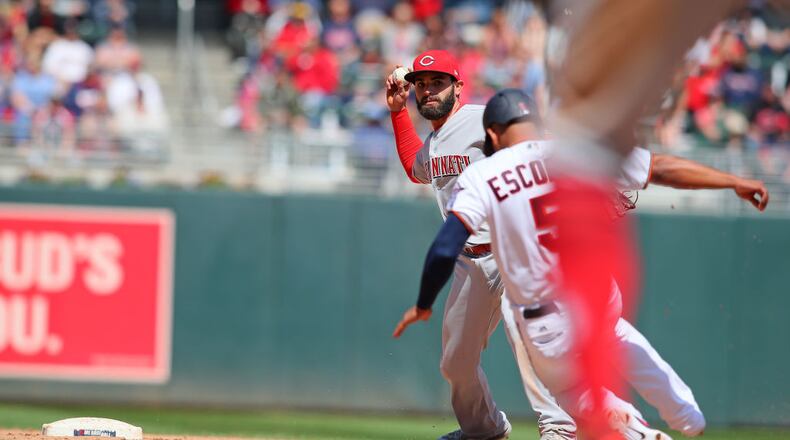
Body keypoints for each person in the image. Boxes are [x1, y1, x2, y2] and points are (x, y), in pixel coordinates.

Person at [393, 88, 769, 439]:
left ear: (491, 134)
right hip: (594, 287)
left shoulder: (484, 174)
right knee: (617, 336)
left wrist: (424, 303)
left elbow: (445, 247)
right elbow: (662, 168)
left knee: (577, 392)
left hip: (545, 314)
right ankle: (687, 415)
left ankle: (639, 432)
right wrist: (732, 181)